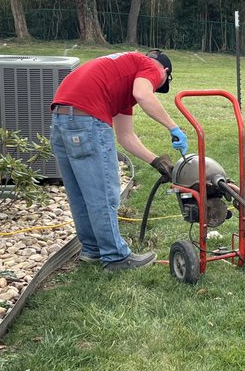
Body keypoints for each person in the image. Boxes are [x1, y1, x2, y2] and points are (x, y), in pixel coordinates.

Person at [50, 49, 189, 271]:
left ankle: (92, 250)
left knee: (81, 193)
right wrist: (173, 127)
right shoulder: (149, 65)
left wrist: (156, 161)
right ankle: (116, 257)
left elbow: (126, 137)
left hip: (61, 118)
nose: (154, 86)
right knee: (104, 191)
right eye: (158, 84)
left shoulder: (121, 81)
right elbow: (144, 94)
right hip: (87, 119)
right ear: (164, 71)